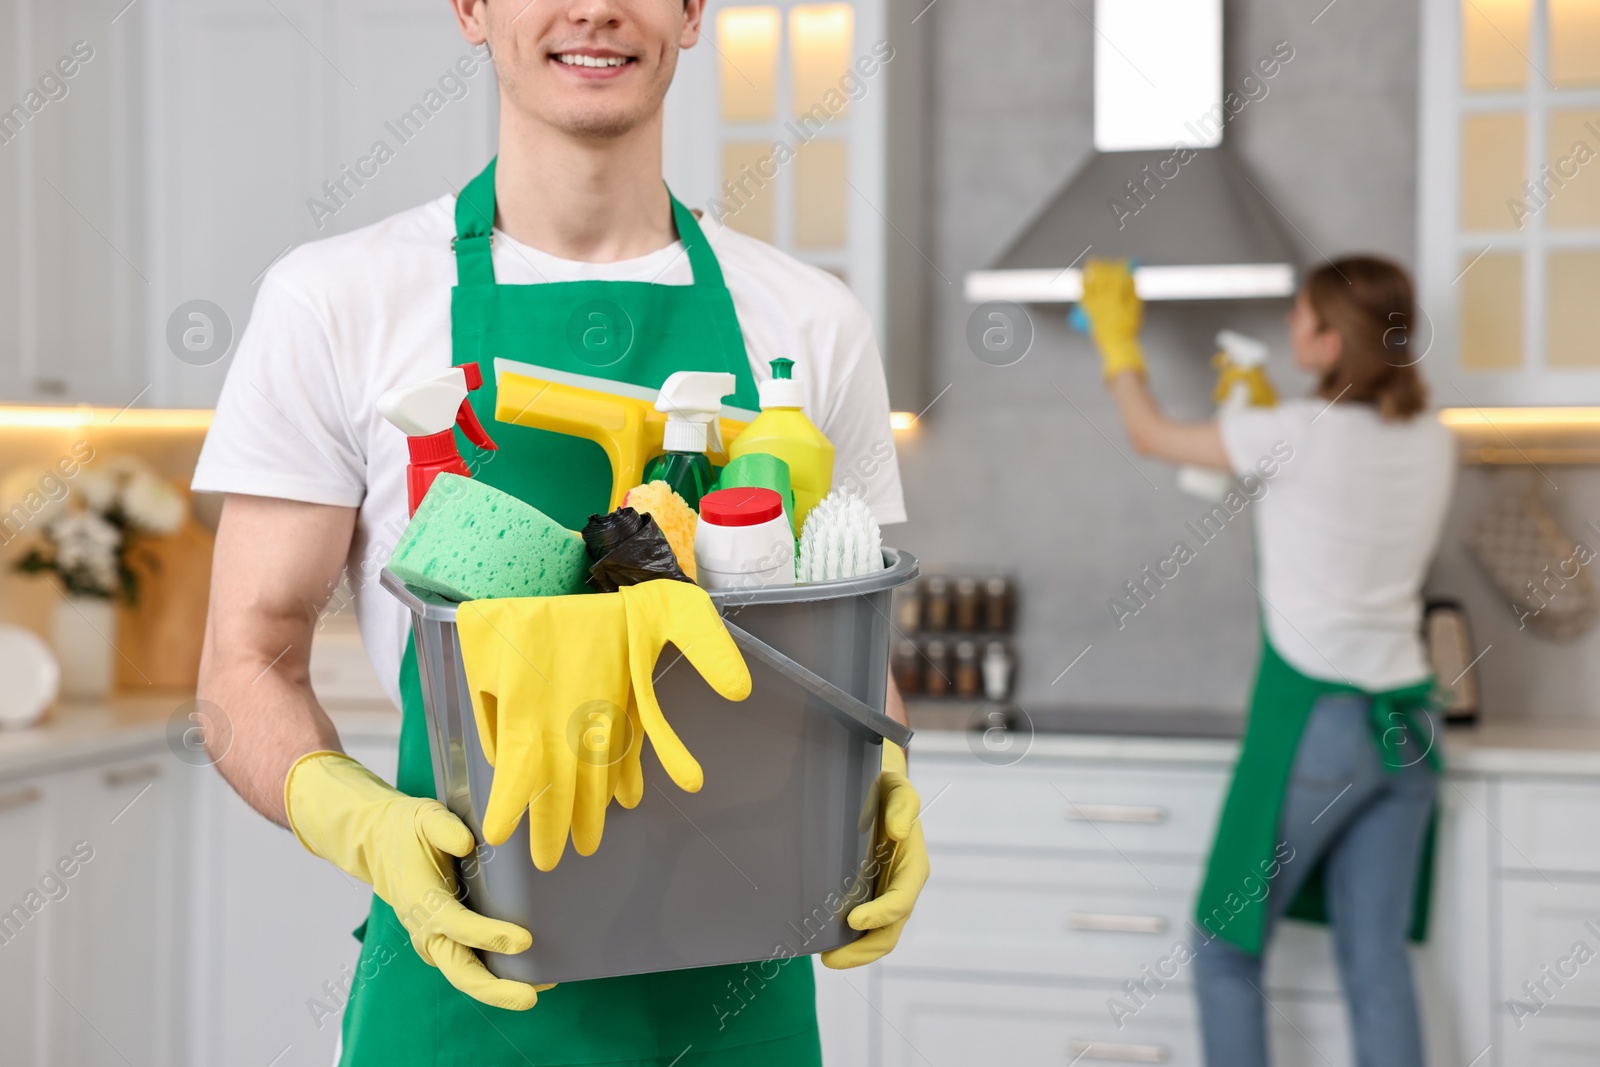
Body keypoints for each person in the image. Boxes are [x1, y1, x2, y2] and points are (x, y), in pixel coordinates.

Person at [190, 2, 928, 1064]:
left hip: (736, 1008)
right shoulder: (336, 303)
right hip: (461, 994)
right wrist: (363, 822)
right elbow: (244, 663)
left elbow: (849, 652)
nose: (593, 9)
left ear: (689, 13)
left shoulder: (810, 322)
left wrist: (883, 781)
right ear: (472, 8)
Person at [1080, 256, 1455, 1067]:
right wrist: (1260, 419)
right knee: (1378, 963)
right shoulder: (1433, 440)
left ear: (1330, 340)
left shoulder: (1289, 432)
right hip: (1411, 728)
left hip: (1318, 728)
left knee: (1224, 943)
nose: (1290, 327)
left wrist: (1119, 344)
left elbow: (1149, 435)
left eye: (1302, 317)